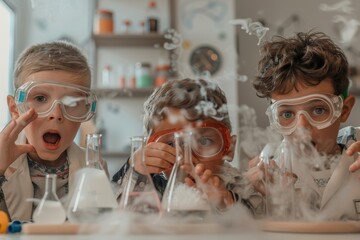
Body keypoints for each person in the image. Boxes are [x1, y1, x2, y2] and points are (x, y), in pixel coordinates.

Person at [247, 31, 360, 220]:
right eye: (287, 114)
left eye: (318, 110)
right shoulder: (270, 168)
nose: (301, 129)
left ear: (344, 109)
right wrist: (245, 196)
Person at [113, 78, 253, 212]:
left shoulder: (239, 185)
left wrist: (225, 203)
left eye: (204, 141)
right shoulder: (150, 184)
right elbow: (114, 214)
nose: (187, 159)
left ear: (230, 148)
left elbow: (256, 223)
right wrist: (136, 170)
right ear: (151, 151)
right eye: (170, 144)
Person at [0, 41, 100, 221]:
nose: (56, 114)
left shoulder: (94, 166)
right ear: (16, 109)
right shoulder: (2, 166)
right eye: (40, 98)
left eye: (72, 102)